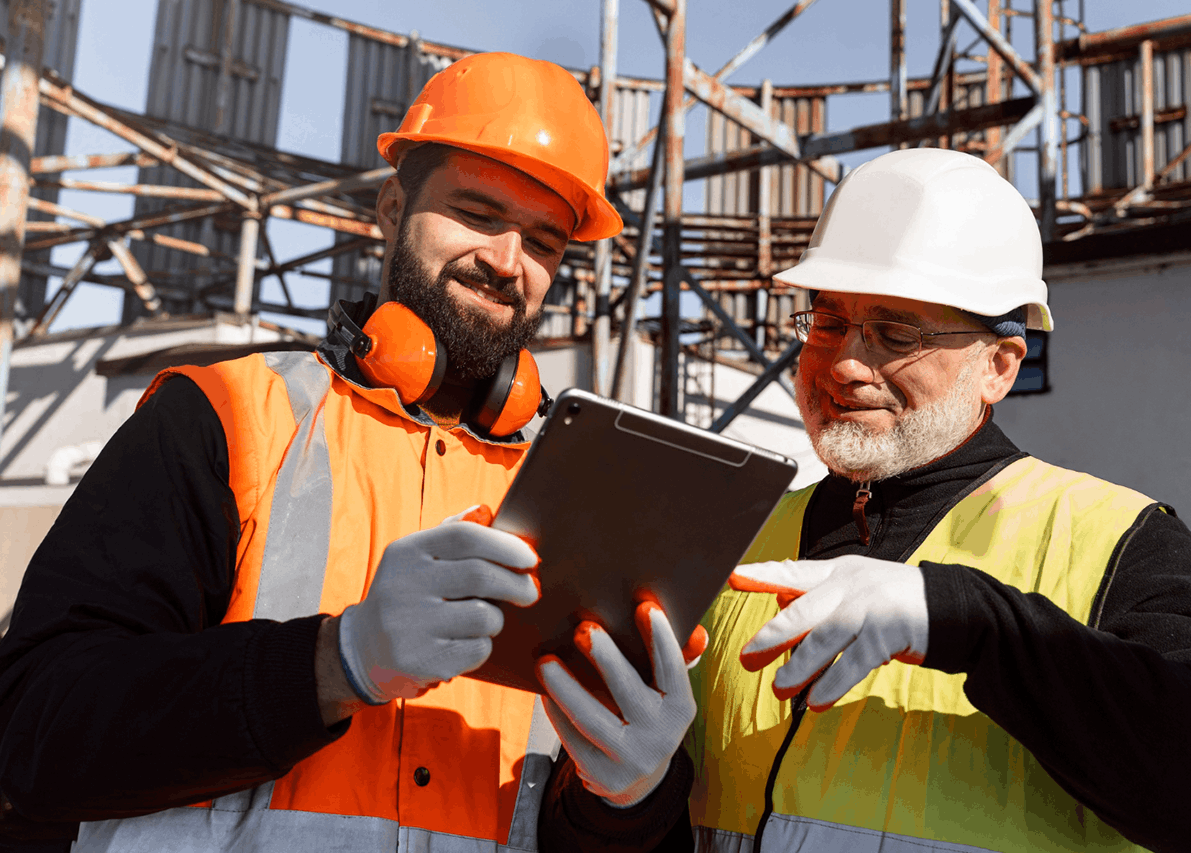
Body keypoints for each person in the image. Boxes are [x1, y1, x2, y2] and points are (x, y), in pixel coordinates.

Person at [0, 51, 695, 853]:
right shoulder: (225, 418)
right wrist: (337, 660)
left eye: (542, 241)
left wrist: (632, 801)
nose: (508, 262)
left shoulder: (582, 494)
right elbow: (31, 731)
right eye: (477, 213)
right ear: (392, 209)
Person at [538, 148, 1191, 852]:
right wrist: (623, 804)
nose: (846, 363)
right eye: (827, 321)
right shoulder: (732, 539)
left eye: (896, 333)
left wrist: (970, 622)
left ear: (998, 365)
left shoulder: (1113, 541)